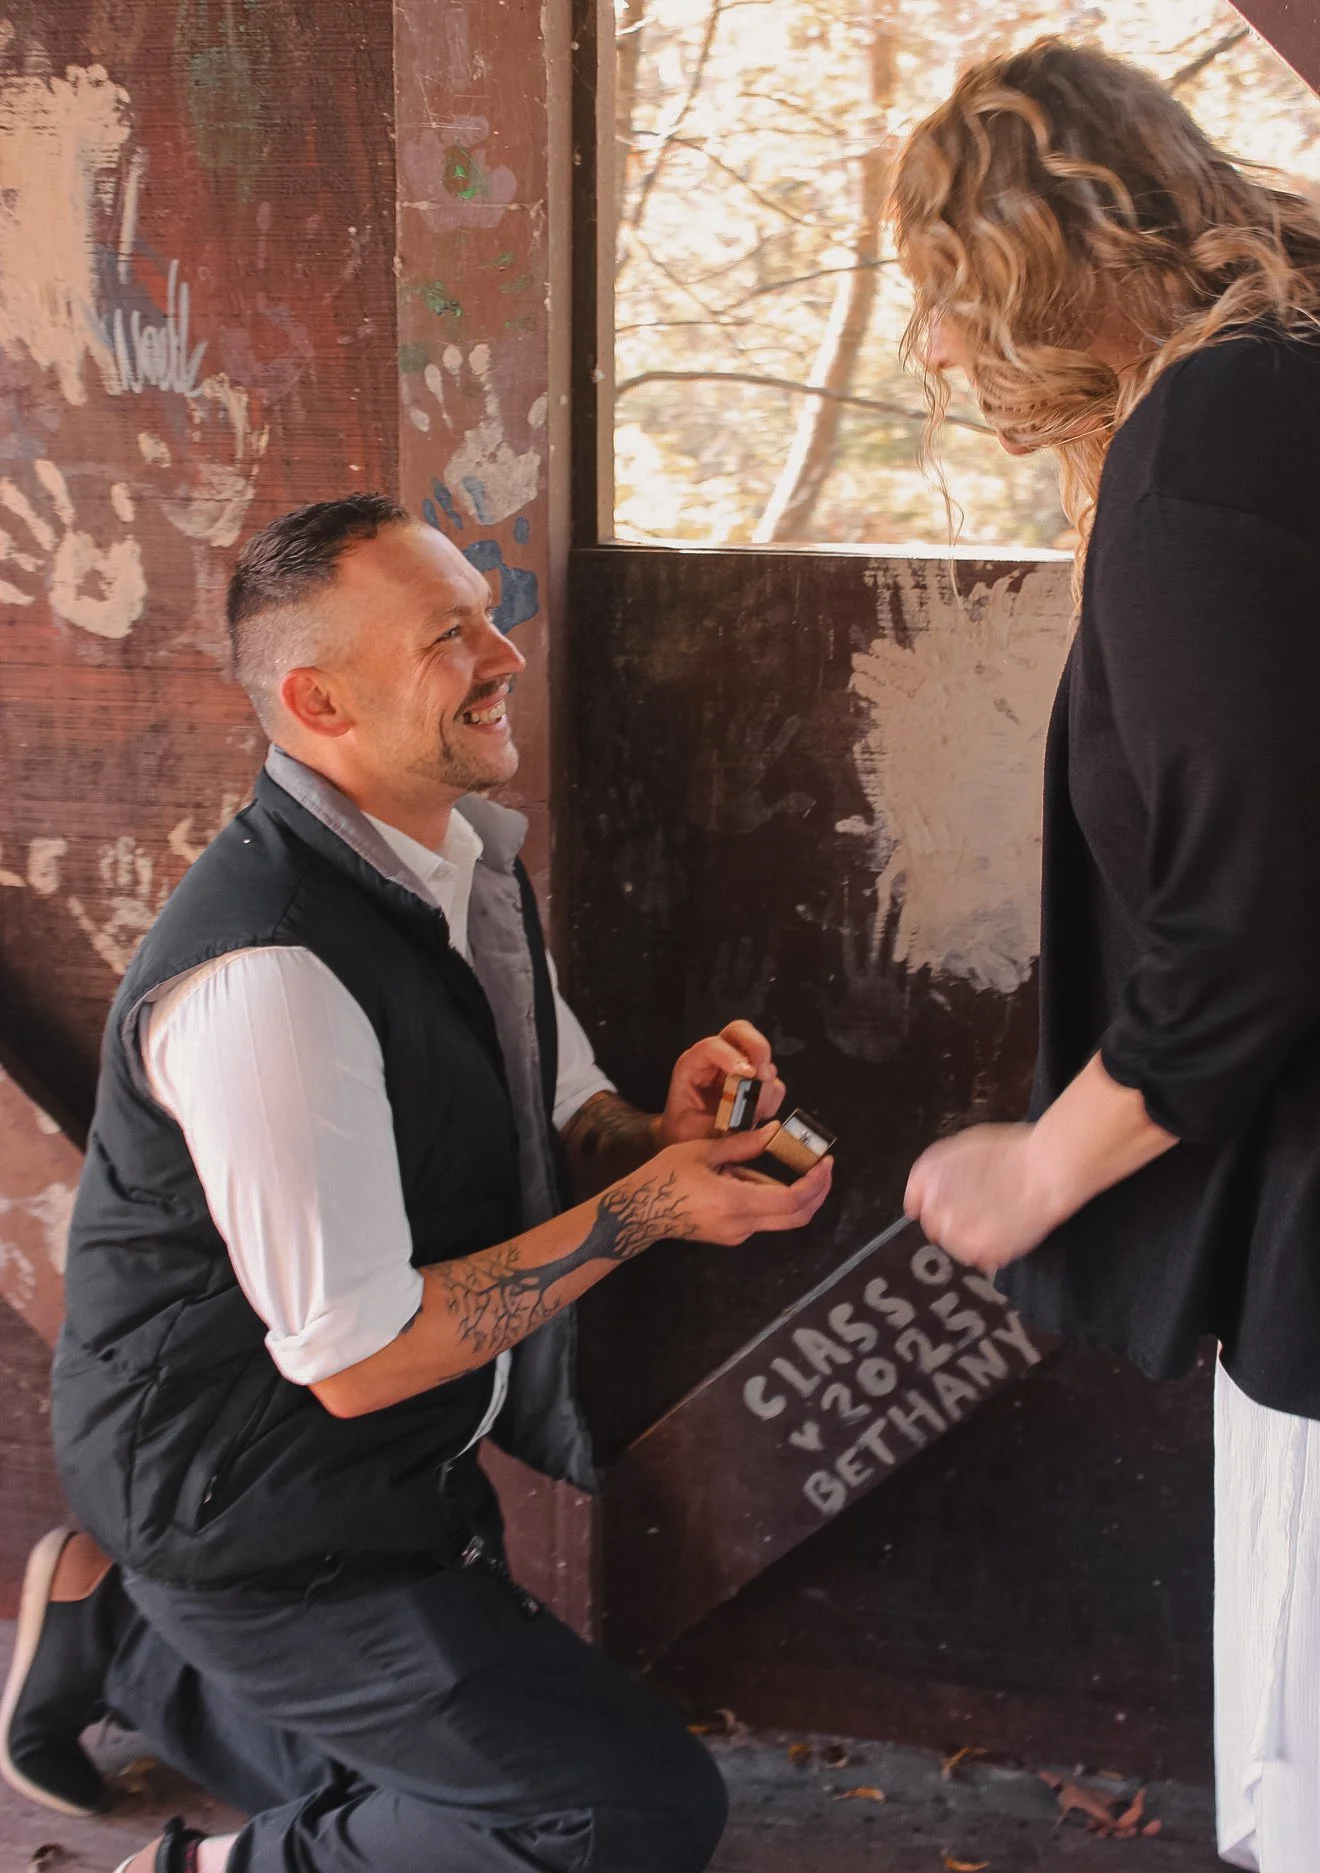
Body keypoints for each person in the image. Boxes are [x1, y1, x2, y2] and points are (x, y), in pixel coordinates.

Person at [0, 494, 833, 1873]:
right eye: (449, 636)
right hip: (249, 1520)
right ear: (318, 702)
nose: (504, 656)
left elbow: (561, 1112)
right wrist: (652, 1210)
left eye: (485, 616)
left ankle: (127, 1646)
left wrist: (657, 1135)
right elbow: (360, 1358)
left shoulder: (455, 861)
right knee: (622, 1816)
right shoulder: (268, 976)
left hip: (390, 1488)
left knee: (436, 1805)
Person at [892, 39, 1320, 1873]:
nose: (935, 347)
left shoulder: (1202, 452)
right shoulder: (1287, 384)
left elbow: (1255, 922)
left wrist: (1041, 1168)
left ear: (1026, 271)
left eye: (940, 289)